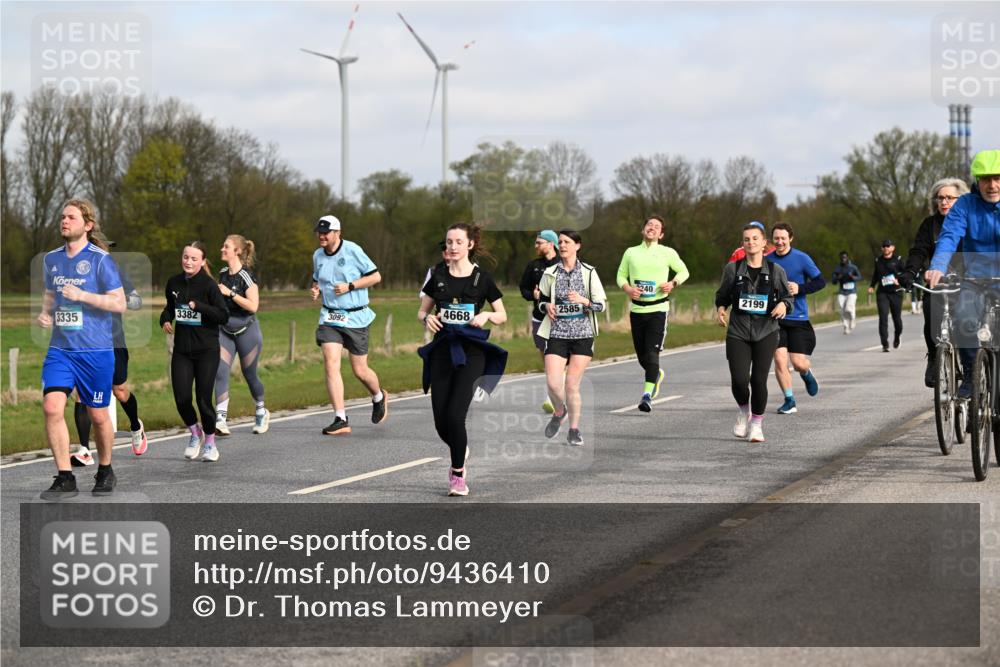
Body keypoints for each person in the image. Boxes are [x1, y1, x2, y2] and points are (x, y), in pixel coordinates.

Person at [37, 200, 126, 499]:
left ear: (87, 225)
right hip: (61, 349)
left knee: (98, 415)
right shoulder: (51, 259)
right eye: (62, 216)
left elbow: (119, 302)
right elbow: (51, 291)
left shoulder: (101, 260)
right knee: (51, 406)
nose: (64, 221)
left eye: (71, 217)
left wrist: (83, 295)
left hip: (96, 351)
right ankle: (65, 477)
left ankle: (105, 469)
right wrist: (47, 313)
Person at [418, 223, 508, 496]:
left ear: (470, 245)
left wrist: (487, 316)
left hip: (472, 353)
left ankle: (457, 474)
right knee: (440, 421)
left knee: (456, 416)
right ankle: (461, 447)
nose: (452, 246)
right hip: (443, 351)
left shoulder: (483, 279)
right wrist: (429, 318)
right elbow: (422, 312)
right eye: (449, 242)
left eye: (458, 241)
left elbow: (502, 314)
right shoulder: (438, 276)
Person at [927, 149, 1000, 398]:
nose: (992, 185)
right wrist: (937, 264)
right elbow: (949, 237)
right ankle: (970, 373)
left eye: (997, 178)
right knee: (962, 319)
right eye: (986, 179)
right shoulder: (966, 205)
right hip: (975, 280)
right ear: (977, 181)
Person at [71, 232, 146, 466]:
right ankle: (84, 449)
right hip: (85, 342)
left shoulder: (113, 271)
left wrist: (119, 299)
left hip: (113, 341)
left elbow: (136, 300)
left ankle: (135, 426)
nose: (106, 251)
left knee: (119, 391)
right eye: (103, 247)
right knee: (81, 394)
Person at [715, 222, 793, 443]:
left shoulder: (776, 271)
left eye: (755, 239)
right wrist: (721, 309)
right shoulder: (733, 269)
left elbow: (788, 298)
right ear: (743, 244)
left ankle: (757, 424)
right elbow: (722, 295)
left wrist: (783, 306)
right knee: (739, 380)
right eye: (747, 239)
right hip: (738, 332)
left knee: (758, 380)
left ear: (764, 244)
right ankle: (743, 411)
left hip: (766, 332)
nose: (751, 243)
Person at [310, 214, 388, 435]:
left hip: (355, 317)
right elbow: (317, 278)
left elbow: (376, 277)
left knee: (360, 370)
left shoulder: (353, 250)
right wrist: (316, 289)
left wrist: (350, 286)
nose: (322, 236)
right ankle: (340, 418)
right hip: (330, 317)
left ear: (338, 233)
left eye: (326, 232)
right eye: (319, 232)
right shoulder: (318, 255)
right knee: (330, 363)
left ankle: (379, 395)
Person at [538, 230, 607, 445]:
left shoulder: (588, 272)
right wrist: (547, 305)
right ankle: (560, 411)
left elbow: (601, 305)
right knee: (552, 383)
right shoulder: (550, 272)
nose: (563, 245)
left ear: (578, 246)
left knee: (571, 385)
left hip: (582, 334)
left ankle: (574, 430)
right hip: (557, 333)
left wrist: (583, 301)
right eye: (560, 242)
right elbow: (540, 302)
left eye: (567, 242)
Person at [160, 242, 229, 461]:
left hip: (206, 351)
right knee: (181, 398)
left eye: (193, 259)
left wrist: (199, 306)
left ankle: (210, 442)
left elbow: (223, 315)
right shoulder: (174, 282)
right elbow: (169, 308)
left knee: (203, 400)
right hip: (182, 350)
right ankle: (194, 433)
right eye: (185, 257)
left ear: (202, 261)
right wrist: (165, 319)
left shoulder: (209, 286)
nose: (188, 262)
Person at [899, 178, 970, 386]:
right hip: (937, 282)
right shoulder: (930, 225)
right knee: (931, 314)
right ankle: (933, 356)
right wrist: (910, 272)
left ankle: (970, 369)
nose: (944, 202)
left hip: (967, 282)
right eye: (940, 198)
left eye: (949, 198)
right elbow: (919, 251)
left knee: (968, 323)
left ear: (961, 200)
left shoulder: (968, 222)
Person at [616, 215, 689, 412]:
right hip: (637, 310)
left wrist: (673, 283)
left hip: (658, 309)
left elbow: (684, 271)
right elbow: (620, 275)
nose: (652, 228)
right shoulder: (631, 252)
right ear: (643, 230)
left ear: (661, 234)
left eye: (657, 227)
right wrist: (628, 289)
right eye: (649, 224)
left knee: (651, 353)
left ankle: (647, 395)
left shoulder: (667, 252)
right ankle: (655, 375)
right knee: (642, 356)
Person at [214, 234, 269, 435]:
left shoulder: (246, 276)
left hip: (247, 331)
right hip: (225, 331)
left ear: (236, 251)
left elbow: (253, 306)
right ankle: (220, 418)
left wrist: (231, 294)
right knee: (220, 371)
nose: (222, 249)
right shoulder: (222, 273)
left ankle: (261, 410)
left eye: (225, 246)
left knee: (250, 374)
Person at [769, 222, 825, 414]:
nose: (780, 242)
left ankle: (806, 373)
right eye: (776, 238)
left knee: (798, 363)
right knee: (779, 359)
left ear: (790, 238)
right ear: (772, 240)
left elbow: (820, 281)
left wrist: (800, 288)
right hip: (775, 318)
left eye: (783, 238)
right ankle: (789, 399)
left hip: (798, 318)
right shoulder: (767, 260)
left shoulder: (802, 258)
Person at [519, 230, 560, 412]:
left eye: (539, 243)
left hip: (562, 319)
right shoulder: (533, 266)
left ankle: (552, 397)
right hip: (539, 317)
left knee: (559, 357)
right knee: (546, 358)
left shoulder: (564, 262)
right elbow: (523, 289)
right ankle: (556, 391)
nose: (536, 246)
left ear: (551, 244)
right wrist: (533, 295)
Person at [868, 239, 906, 353]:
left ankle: (897, 335)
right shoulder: (878, 260)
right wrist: (872, 286)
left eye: (888, 246)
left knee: (897, 319)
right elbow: (876, 274)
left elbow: (905, 274)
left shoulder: (898, 260)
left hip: (896, 292)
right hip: (882, 292)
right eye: (884, 246)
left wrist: (899, 281)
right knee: (883, 318)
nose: (886, 248)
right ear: (881, 248)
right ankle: (885, 343)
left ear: (893, 248)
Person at [830, 251, 862, 335]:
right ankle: (846, 326)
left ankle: (852, 319)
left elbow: (859, 277)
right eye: (842, 258)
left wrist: (853, 277)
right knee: (841, 308)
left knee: (849, 308)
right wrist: (838, 278)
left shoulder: (853, 267)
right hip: (842, 292)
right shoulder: (837, 268)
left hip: (852, 292)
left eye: (844, 257)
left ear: (847, 258)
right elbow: (833, 281)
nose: (843, 259)